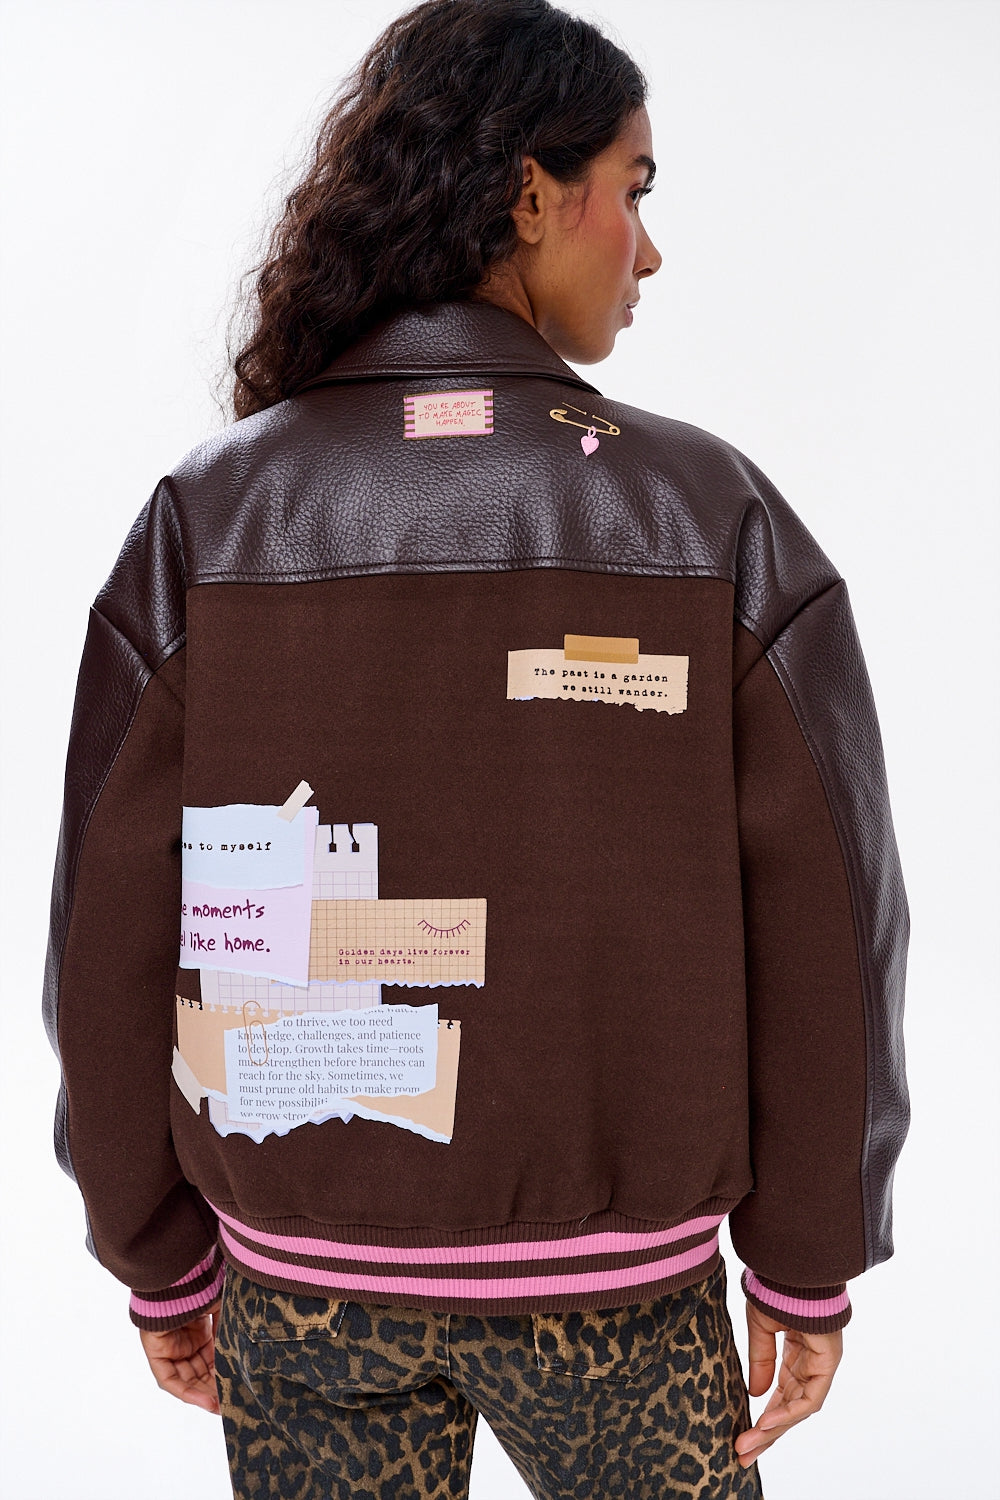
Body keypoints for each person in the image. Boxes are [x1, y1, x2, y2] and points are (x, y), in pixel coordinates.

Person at [42, 1, 910, 1496]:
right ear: (526, 193)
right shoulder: (707, 512)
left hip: (301, 1292)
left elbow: (104, 924)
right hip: (621, 1304)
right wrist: (808, 1255)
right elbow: (833, 915)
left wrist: (156, 1253)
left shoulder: (212, 514)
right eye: (633, 189)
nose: (649, 251)